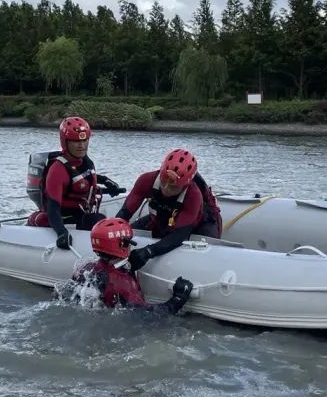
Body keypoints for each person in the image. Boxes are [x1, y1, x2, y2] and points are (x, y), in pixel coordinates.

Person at [114, 148, 221, 272]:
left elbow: (178, 235)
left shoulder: (193, 195)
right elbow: (125, 212)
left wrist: (149, 251)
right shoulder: (146, 180)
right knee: (129, 229)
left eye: (173, 187)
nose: (166, 189)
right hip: (163, 216)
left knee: (206, 256)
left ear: (185, 185)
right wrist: (114, 231)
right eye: (164, 182)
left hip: (199, 223)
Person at [26, 116, 125, 251]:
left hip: (80, 212)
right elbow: (53, 208)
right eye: (76, 141)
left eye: (85, 140)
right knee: (98, 220)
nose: (82, 145)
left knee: (99, 219)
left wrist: (107, 182)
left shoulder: (84, 160)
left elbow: (84, 176)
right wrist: (61, 232)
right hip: (62, 216)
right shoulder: (58, 169)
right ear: (65, 142)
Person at [61, 217, 194, 313]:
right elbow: (147, 315)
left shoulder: (86, 267)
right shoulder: (121, 284)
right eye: (129, 242)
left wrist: (130, 269)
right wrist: (178, 298)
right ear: (122, 245)